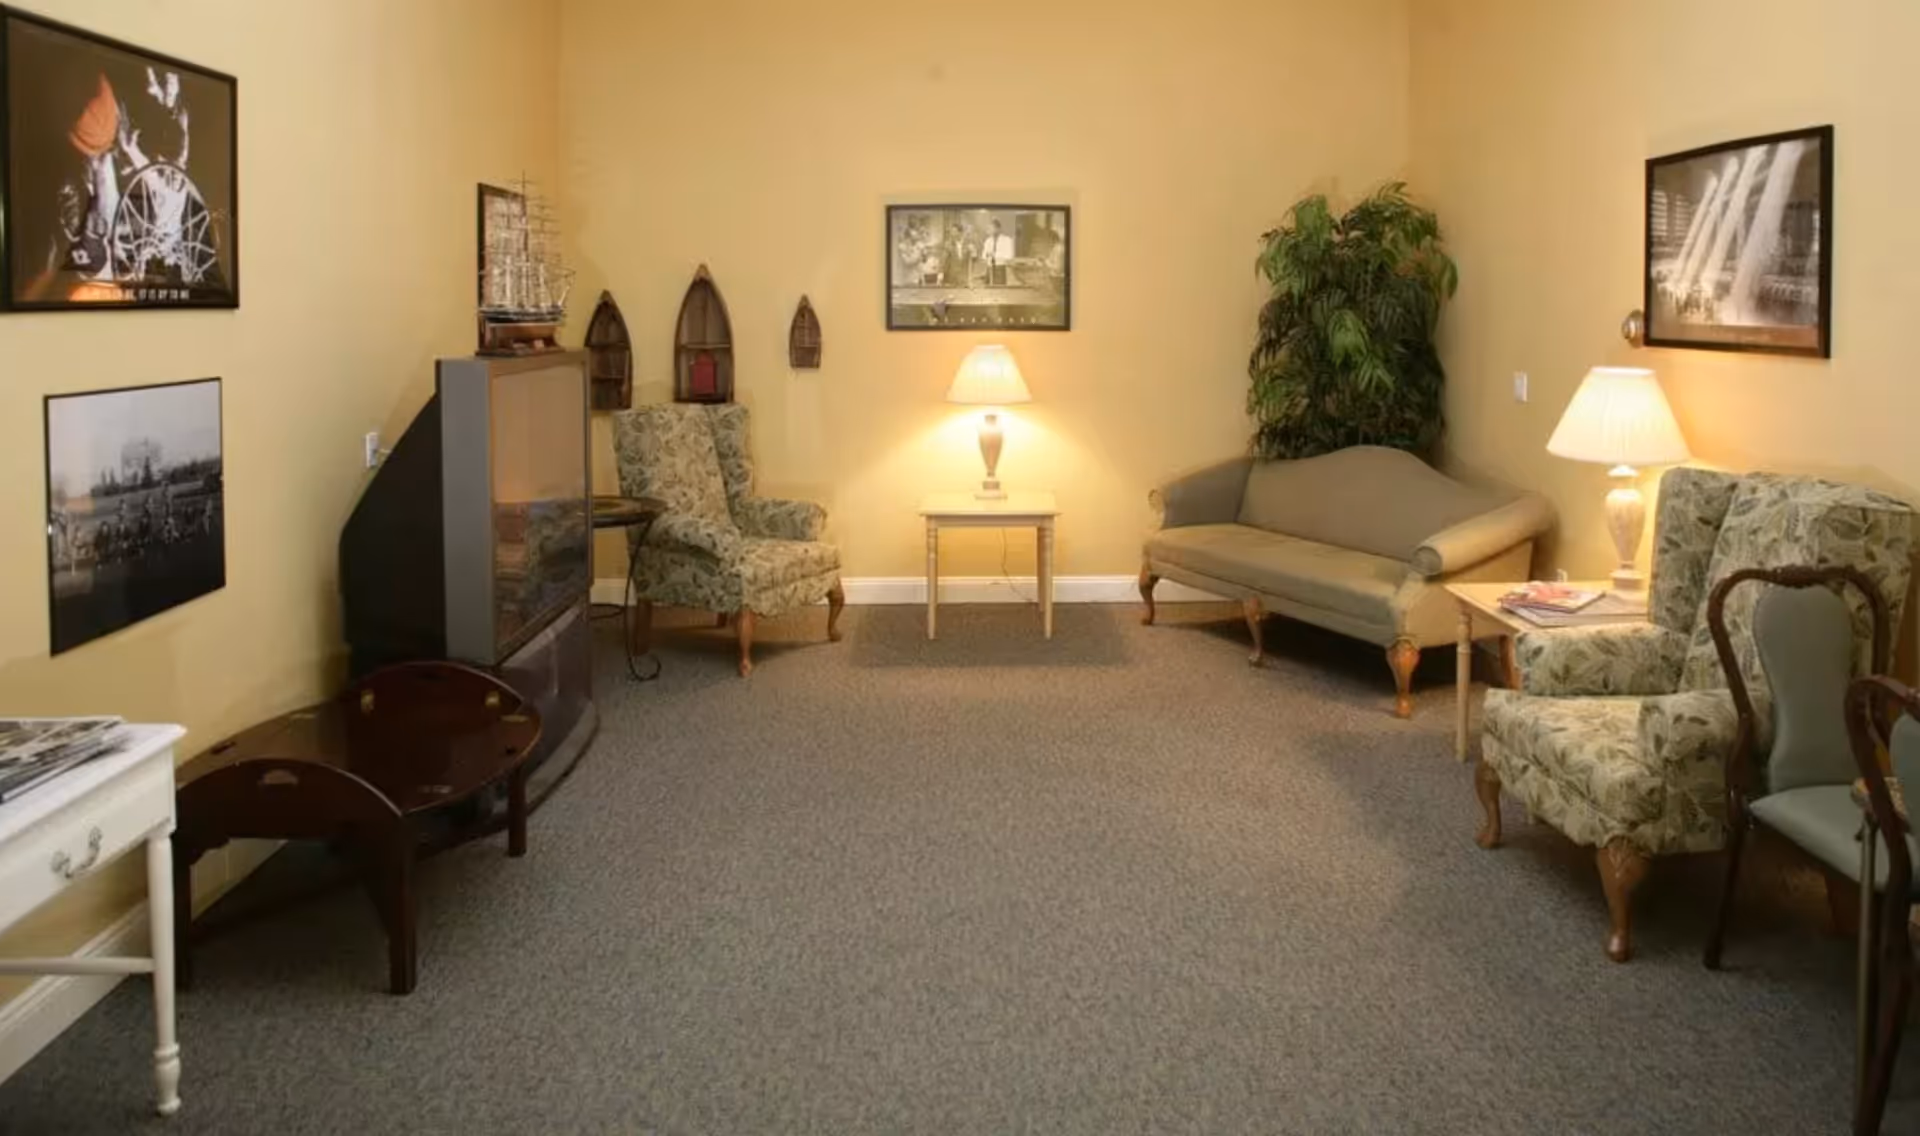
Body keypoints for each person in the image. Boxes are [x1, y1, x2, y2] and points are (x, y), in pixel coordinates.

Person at [981, 220, 1014, 288]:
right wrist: (987, 255)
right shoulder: (988, 240)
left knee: (999, 290)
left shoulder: (1007, 240)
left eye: (991, 228)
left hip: (1000, 269)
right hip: (989, 269)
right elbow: (984, 256)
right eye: (988, 228)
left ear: (998, 229)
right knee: (987, 290)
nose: (988, 230)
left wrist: (994, 255)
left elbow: (1009, 256)